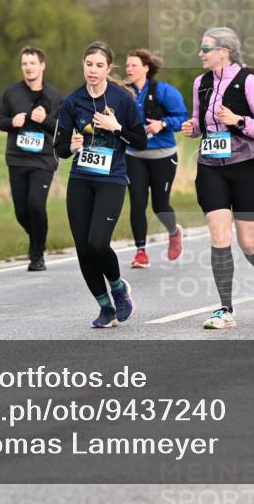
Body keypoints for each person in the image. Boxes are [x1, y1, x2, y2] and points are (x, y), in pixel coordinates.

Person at [180, 27, 254, 329]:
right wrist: (192, 127)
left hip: (245, 166)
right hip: (210, 165)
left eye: (205, 48)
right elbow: (200, 122)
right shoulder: (201, 82)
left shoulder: (248, 81)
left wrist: (238, 121)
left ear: (225, 51)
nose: (200, 53)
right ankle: (225, 309)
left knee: (248, 242)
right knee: (219, 236)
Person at [55, 42, 147, 328]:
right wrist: (71, 146)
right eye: (88, 64)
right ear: (82, 65)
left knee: (98, 243)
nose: (92, 70)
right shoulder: (72, 102)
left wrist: (115, 127)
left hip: (112, 179)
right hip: (81, 179)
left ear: (109, 68)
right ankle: (105, 307)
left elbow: (140, 140)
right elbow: (59, 149)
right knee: (83, 248)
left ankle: (119, 288)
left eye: (98, 65)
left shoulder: (122, 99)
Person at [0, 46, 62, 272]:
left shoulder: (54, 96)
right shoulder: (11, 93)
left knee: (36, 204)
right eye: (24, 63)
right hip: (17, 158)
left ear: (42, 66)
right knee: (21, 212)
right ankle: (38, 240)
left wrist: (45, 121)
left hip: (43, 160)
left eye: (32, 63)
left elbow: (62, 129)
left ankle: (37, 254)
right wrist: (12, 121)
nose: (28, 67)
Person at [124, 49, 189, 268]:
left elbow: (182, 119)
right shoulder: (124, 93)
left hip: (163, 155)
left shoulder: (164, 91)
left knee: (160, 205)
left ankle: (174, 231)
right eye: (127, 66)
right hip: (134, 155)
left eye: (133, 65)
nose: (129, 69)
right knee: (137, 202)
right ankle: (140, 252)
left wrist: (162, 124)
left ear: (146, 68)